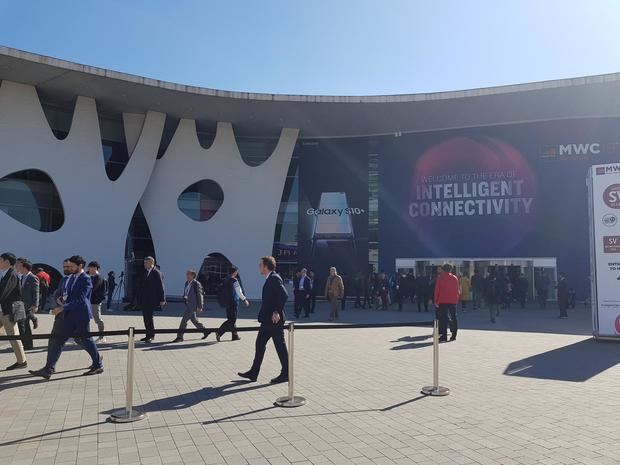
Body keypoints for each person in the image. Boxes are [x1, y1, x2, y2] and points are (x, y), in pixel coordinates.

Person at [29, 255, 103, 379]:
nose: (70, 268)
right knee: (56, 340)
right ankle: (48, 369)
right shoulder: (71, 278)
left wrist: (62, 307)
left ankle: (98, 364)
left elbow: (81, 299)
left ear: (80, 266)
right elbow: (66, 293)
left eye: (72, 266)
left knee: (85, 339)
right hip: (67, 315)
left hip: (80, 315)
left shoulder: (85, 279)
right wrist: (60, 299)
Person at [238, 256, 288, 384]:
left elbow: (283, 295)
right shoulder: (270, 278)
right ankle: (254, 373)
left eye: (260, 265)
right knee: (259, 344)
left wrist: (277, 312)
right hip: (267, 321)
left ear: (266, 266)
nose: (259, 267)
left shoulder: (274, 278)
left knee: (280, 347)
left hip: (274, 320)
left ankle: (286, 373)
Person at [0, 253, 28, 370]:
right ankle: (21, 361)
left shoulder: (12, 274)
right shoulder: (5, 273)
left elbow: (4, 292)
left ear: (7, 262)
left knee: (13, 336)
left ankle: (22, 361)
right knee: (12, 336)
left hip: (8, 311)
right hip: (2, 310)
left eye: (0, 260)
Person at [135, 256, 165, 343]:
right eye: (144, 263)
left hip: (152, 299)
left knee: (149, 318)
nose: (144, 264)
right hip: (145, 299)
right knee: (146, 318)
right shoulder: (145, 272)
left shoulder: (156, 272)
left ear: (152, 263)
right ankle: (147, 335)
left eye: (146, 263)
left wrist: (162, 299)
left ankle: (151, 335)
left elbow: (161, 287)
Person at [172, 269, 208, 342]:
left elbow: (200, 295)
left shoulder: (196, 284)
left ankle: (180, 337)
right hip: (188, 304)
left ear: (193, 276)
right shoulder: (186, 283)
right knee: (194, 321)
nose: (187, 276)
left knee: (184, 321)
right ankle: (205, 331)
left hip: (193, 306)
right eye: (187, 274)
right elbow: (186, 292)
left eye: (189, 274)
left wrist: (200, 306)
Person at [215, 266, 249, 341]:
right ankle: (219, 332)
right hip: (233, 302)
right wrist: (244, 299)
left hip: (227, 303)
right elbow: (239, 292)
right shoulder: (234, 281)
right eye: (237, 272)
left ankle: (235, 335)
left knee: (231, 319)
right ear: (234, 272)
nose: (237, 273)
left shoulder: (226, 280)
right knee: (232, 320)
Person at [15, 258, 39, 350]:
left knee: (25, 326)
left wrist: (35, 305)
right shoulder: (21, 277)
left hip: (28, 305)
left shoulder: (33, 277)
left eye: (19, 265)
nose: (17, 266)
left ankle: (28, 345)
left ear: (24, 266)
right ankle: (26, 344)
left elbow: (36, 292)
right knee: (23, 325)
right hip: (21, 305)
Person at [434, 264, 460, 342]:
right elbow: (457, 290)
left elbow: (437, 290)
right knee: (454, 317)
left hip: (442, 300)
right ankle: (454, 335)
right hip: (452, 300)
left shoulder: (440, 278)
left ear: (443, 269)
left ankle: (443, 337)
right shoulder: (455, 278)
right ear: (451, 270)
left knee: (443, 319)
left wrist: (436, 301)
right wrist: (456, 299)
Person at [86, 261, 107, 342]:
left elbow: (99, 290)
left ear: (95, 268)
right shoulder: (86, 276)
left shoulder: (99, 278)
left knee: (97, 318)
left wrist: (98, 300)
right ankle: (84, 335)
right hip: (86, 301)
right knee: (84, 318)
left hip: (95, 302)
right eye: (88, 267)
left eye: (90, 267)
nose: (89, 269)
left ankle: (102, 336)